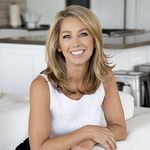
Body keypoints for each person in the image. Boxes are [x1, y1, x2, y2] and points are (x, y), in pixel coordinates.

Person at [29, 5, 127, 150]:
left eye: (83, 34)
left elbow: (120, 128)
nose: (76, 43)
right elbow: (38, 148)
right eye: (67, 36)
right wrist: (87, 132)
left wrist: (90, 140)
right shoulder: (41, 85)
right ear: (58, 45)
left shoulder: (105, 76)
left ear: (94, 40)